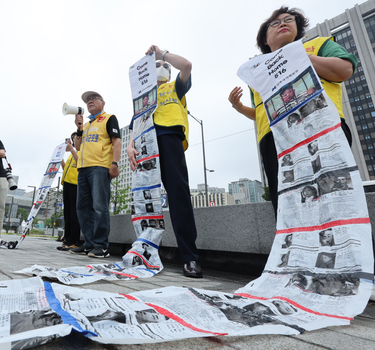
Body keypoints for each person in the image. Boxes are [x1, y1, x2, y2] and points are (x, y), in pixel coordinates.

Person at [228, 6, 356, 215]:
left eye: (289, 20)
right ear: (265, 40)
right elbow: (262, 113)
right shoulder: (256, 72)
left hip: (323, 127)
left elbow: (345, 70)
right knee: (288, 209)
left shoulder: (318, 45)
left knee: (338, 201)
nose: (283, 23)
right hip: (275, 141)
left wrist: (298, 57)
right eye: (275, 23)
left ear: (298, 30)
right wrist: (239, 107)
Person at [127, 45, 202, 278]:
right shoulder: (144, 98)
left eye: (164, 67)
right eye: (156, 66)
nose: (160, 68)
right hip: (145, 146)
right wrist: (130, 146)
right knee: (143, 199)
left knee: (178, 195)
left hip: (169, 139)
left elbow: (187, 66)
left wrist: (163, 55)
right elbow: (135, 124)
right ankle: (144, 251)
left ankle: (190, 257)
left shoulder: (175, 88)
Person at [69, 91, 121, 258]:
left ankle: (101, 245)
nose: (89, 101)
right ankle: (89, 243)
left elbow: (117, 141)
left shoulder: (109, 118)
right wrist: (78, 128)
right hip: (83, 168)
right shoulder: (87, 124)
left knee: (99, 206)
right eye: (87, 100)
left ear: (102, 103)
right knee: (82, 207)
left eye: (93, 99)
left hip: (99, 167)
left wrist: (115, 163)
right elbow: (78, 146)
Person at [57, 132, 82, 251]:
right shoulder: (72, 154)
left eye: (76, 138)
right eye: (72, 139)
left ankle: (74, 241)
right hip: (67, 183)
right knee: (67, 213)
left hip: (76, 184)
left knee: (74, 214)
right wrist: (59, 157)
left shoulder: (81, 151)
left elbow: (80, 163)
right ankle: (67, 239)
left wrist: (72, 149)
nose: (73, 141)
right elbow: (65, 167)